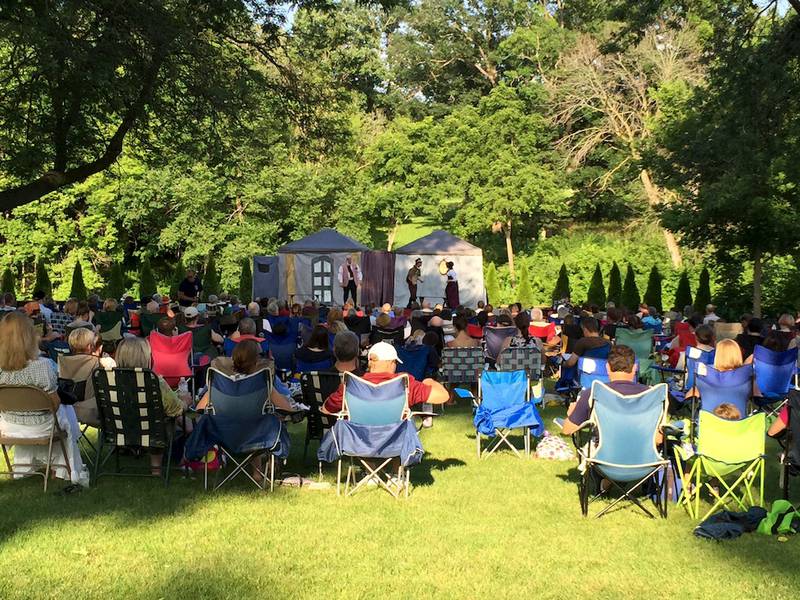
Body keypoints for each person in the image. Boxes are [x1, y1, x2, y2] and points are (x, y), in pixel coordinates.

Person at [0, 312, 85, 485]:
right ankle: (62, 467)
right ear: (29, 337)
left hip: (10, 425)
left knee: (59, 412)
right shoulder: (42, 366)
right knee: (65, 409)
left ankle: (42, 465)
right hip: (41, 425)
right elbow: (53, 404)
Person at [114, 337, 190, 474]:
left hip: (120, 429)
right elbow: (176, 409)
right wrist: (186, 401)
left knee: (158, 416)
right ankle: (161, 466)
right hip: (153, 431)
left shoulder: (111, 380)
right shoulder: (154, 381)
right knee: (170, 417)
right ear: (146, 357)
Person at [322, 342, 448, 414]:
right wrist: (429, 381)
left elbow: (326, 409)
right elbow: (443, 396)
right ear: (391, 362)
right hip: (395, 444)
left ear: (370, 362)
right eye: (395, 363)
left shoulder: (352, 384)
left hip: (358, 444)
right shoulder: (404, 383)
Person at [561, 345, 649, 436]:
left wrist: (571, 414)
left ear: (607, 367)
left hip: (605, 449)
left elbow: (567, 430)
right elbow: (658, 438)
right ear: (635, 367)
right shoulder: (651, 394)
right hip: (643, 449)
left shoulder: (593, 393)